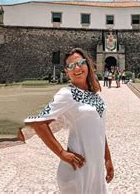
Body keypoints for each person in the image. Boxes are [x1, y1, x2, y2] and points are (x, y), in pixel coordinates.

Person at [24, 48, 114, 193]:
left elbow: (99, 130)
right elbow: (38, 123)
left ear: (87, 64)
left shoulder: (95, 96)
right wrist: (61, 153)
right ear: (66, 71)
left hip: (96, 171)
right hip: (78, 170)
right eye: (71, 66)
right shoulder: (66, 94)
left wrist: (108, 159)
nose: (77, 68)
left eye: (80, 63)